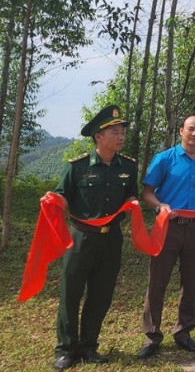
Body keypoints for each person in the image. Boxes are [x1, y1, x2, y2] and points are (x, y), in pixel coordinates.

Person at [52, 105, 138, 370]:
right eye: (115, 132)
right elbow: (62, 195)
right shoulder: (78, 167)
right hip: (81, 239)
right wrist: (54, 201)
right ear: (99, 137)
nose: (121, 136)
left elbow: (131, 195)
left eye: (123, 131)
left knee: (101, 293)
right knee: (71, 293)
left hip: (111, 239)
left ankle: (89, 346)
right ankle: (66, 349)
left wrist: (134, 203)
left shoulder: (128, 166)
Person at [137, 115, 195, 359]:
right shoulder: (165, 159)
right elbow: (147, 192)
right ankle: (152, 335)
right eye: (191, 129)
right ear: (181, 131)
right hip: (168, 227)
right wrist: (160, 205)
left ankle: (184, 332)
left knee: (191, 283)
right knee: (157, 281)